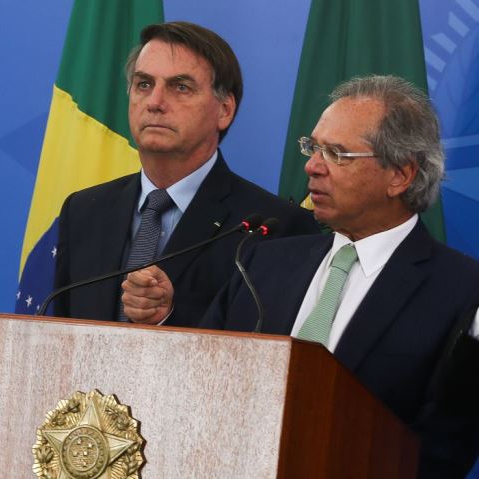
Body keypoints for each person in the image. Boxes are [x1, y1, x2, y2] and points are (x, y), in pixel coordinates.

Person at [201, 74, 479, 477]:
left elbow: (443, 452)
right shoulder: (262, 262)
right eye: (313, 147)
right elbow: (204, 380)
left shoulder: (463, 291)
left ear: (400, 175)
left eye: (337, 154)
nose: (312, 166)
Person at [54, 21, 319, 326]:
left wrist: (168, 317)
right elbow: (63, 332)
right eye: (144, 84)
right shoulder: (84, 210)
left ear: (225, 110)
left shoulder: (274, 228)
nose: (155, 102)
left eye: (180, 87)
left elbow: (267, 342)